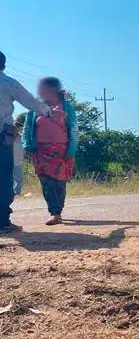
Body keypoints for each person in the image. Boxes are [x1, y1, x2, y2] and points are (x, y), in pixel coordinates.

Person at [0, 51, 51, 232]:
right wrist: (49, 112)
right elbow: (31, 102)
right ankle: (3, 222)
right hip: (1, 138)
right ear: (3, 67)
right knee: (3, 178)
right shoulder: (9, 84)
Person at [23, 77, 77, 225]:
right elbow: (27, 127)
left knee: (59, 182)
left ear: (54, 91)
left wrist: (71, 151)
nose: (42, 92)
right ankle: (54, 212)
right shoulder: (35, 108)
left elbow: (73, 130)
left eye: (46, 89)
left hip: (61, 151)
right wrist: (27, 145)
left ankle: (58, 211)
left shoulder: (66, 108)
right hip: (41, 150)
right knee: (46, 182)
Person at [12, 118, 23, 199]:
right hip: (9, 161)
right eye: (16, 126)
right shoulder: (8, 137)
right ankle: (9, 192)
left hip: (19, 161)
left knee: (19, 179)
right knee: (8, 178)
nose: (17, 128)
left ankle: (17, 193)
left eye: (19, 126)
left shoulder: (21, 137)